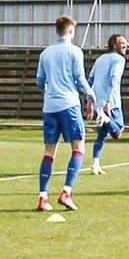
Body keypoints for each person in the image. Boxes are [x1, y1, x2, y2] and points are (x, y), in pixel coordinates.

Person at [35, 14, 96, 212]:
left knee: (49, 152)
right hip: (69, 105)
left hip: (49, 107)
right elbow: (79, 79)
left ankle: (43, 197)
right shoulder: (74, 51)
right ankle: (66, 192)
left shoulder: (45, 53)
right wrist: (90, 94)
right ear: (70, 30)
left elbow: (39, 81)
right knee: (78, 148)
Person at [89, 33, 127, 175]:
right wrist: (108, 102)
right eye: (122, 43)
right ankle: (105, 118)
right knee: (118, 132)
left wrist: (90, 101)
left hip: (99, 102)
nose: (125, 45)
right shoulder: (119, 60)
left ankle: (95, 164)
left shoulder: (100, 59)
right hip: (111, 103)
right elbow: (113, 79)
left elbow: (90, 79)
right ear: (114, 45)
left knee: (101, 136)